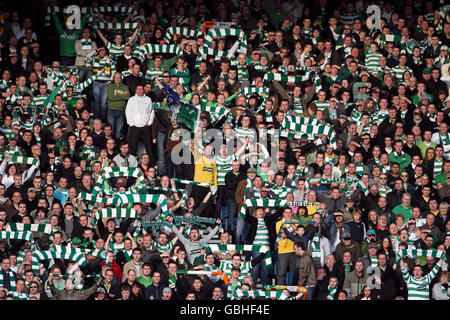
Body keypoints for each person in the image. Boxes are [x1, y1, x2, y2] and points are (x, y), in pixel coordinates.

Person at [125, 84, 156, 165]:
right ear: (135, 90)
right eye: (138, 89)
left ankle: (151, 166)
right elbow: (127, 111)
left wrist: (150, 122)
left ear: (144, 90)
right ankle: (131, 166)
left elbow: (152, 111)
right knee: (132, 148)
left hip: (145, 127)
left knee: (149, 147)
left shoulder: (148, 99)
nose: (139, 91)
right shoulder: (131, 100)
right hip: (135, 127)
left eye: (141, 89)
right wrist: (130, 123)